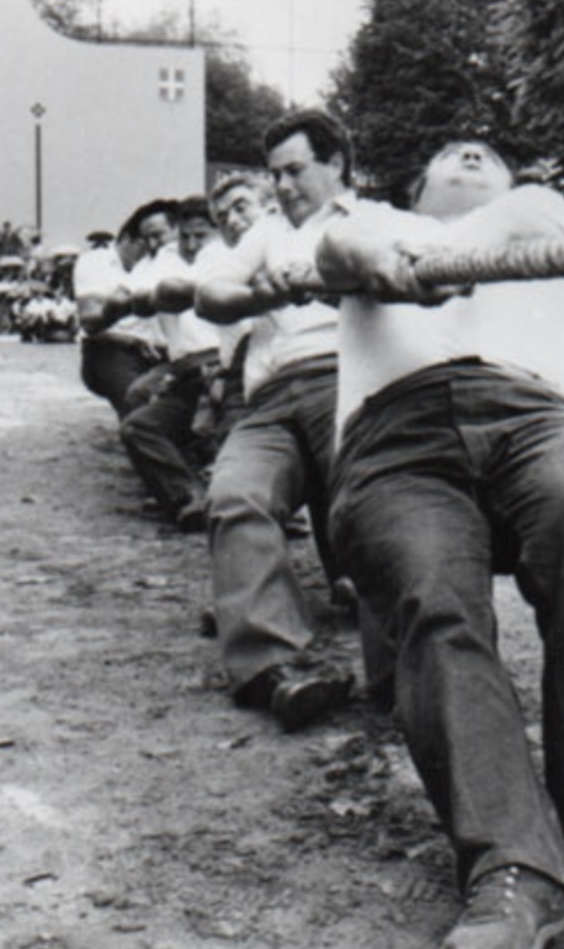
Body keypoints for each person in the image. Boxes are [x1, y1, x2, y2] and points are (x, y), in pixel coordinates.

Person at [316, 141, 564, 949]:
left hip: (536, 413)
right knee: (431, 593)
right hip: (397, 433)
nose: (465, 150)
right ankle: (514, 867)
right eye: (448, 154)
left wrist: (439, 263)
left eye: (483, 153)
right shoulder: (374, 223)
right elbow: (336, 249)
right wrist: (390, 260)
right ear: (412, 189)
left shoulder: (538, 217)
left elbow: (527, 209)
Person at [192, 110, 375, 729]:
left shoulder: (373, 220)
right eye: (275, 175)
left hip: (347, 377)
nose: (283, 187)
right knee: (234, 492)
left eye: (295, 171)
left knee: (374, 504)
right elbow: (210, 293)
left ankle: (406, 663)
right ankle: (274, 670)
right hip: (271, 396)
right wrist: (262, 296)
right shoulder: (265, 234)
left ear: (337, 165)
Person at [111, 198, 223, 531]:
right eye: (185, 236)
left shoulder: (229, 257)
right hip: (184, 368)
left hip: (226, 365)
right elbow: (129, 294)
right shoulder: (164, 261)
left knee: (219, 421)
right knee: (138, 425)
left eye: (200, 236)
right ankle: (188, 496)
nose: (191, 244)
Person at [73, 222, 166, 419]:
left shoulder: (158, 260)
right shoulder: (95, 261)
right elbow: (89, 320)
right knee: (138, 410)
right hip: (112, 348)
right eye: (143, 242)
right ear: (125, 239)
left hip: (157, 351)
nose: (150, 247)